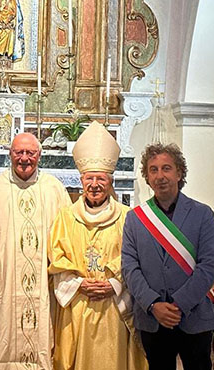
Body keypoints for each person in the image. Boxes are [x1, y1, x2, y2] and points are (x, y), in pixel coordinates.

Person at [0, 132, 71, 370]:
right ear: (10, 154)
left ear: (39, 155)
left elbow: (67, 235)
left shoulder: (55, 190)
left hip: (44, 284)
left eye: (30, 153)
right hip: (2, 281)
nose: (24, 158)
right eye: (18, 152)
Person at [48, 121, 147, 370]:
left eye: (101, 178)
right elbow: (57, 260)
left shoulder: (128, 217)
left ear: (110, 182)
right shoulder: (65, 217)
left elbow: (136, 259)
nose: (94, 184)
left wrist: (113, 284)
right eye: (89, 178)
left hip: (114, 305)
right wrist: (80, 284)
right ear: (81, 181)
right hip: (78, 303)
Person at [121, 143, 214, 370]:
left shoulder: (203, 214)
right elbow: (129, 267)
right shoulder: (135, 219)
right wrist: (153, 304)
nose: (160, 176)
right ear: (147, 177)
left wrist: (178, 305)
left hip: (194, 317)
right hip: (152, 319)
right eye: (153, 170)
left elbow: (209, 266)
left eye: (166, 168)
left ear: (179, 173)